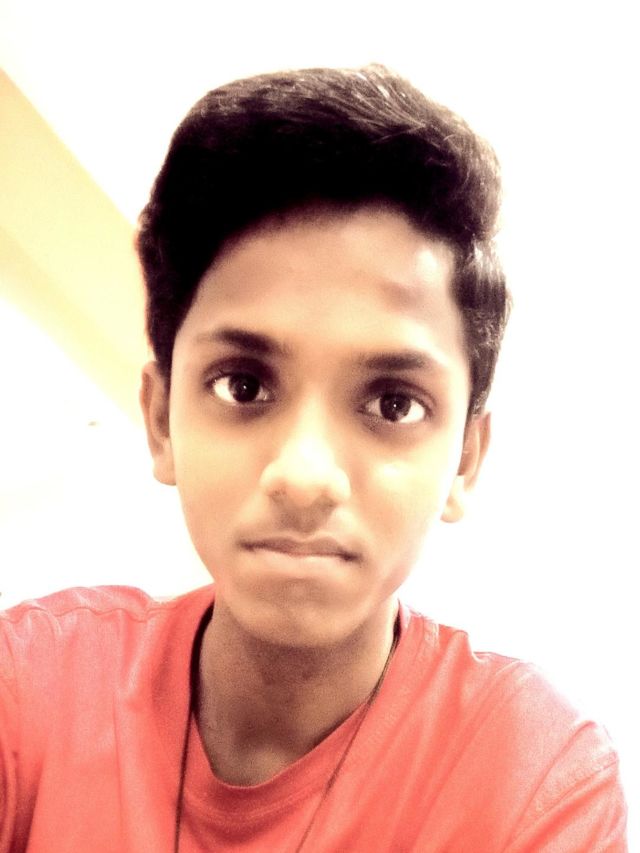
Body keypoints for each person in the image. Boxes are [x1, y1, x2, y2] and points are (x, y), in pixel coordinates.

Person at [0, 65, 627, 852]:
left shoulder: (537, 781)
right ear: (160, 420)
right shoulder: (30, 685)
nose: (303, 476)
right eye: (243, 385)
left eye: (393, 403)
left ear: (465, 458)